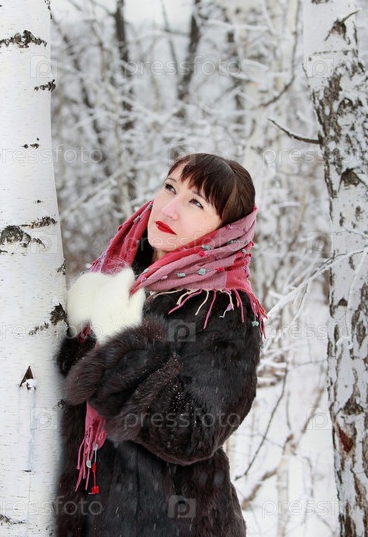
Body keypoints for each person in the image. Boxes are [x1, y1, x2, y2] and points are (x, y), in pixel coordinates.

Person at [56, 152, 265, 537]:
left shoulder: (223, 311)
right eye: (170, 187)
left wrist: (123, 345)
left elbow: (193, 433)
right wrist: (75, 330)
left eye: (196, 203)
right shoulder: (125, 278)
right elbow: (74, 389)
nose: (169, 208)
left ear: (226, 230)